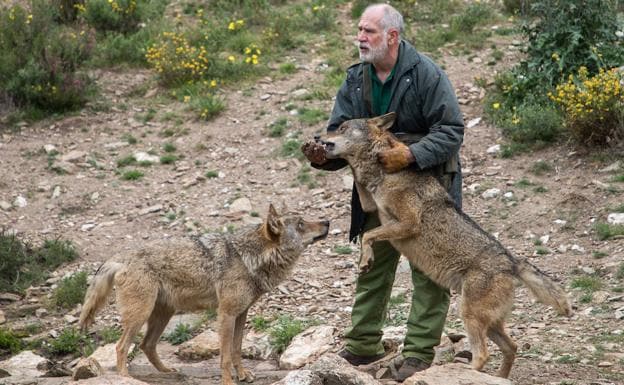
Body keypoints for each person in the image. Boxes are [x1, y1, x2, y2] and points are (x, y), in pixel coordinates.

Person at [301, 3, 464, 382]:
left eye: (369, 31)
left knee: (429, 270)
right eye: (359, 29)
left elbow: (451, 130)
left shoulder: (426, 73)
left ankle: (420, 353)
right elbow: (339, 137)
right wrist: (320, 157)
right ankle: (361, 346)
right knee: (372, 266)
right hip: (376, 191)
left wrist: (409, 153)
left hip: (427, 192)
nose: (360, 37)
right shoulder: (356, 78)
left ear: (392, 36)